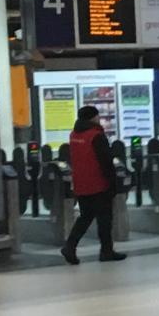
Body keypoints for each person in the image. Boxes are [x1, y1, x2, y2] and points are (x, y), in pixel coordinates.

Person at [61, 105, 127, 265]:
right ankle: (106, 251)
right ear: (93, 118)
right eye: (97, 116)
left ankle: (70, 246)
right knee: (105, 219)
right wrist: (113, 183)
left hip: (81, 184)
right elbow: (105, 161)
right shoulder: (96, 135)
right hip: (98, 183)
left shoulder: (74, 135)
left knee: (85, 217)